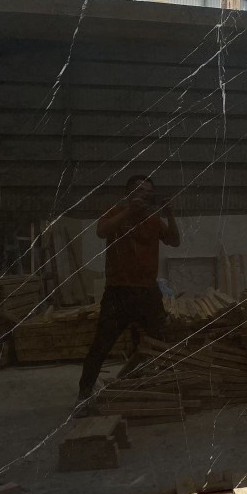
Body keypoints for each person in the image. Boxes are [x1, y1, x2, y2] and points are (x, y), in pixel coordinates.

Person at [75, 174, 181, 413]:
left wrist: (170, 214)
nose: (144, 195)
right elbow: (102, 231)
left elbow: (174, 241)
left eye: (148, 192)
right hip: (118, 291)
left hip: (147, 292)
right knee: (101, 345)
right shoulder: (114, 212)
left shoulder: (153, 219)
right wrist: (128, 212)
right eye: (139, 190)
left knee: (159, 342)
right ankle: (83, 395)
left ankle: (162, 391)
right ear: (128, 193)